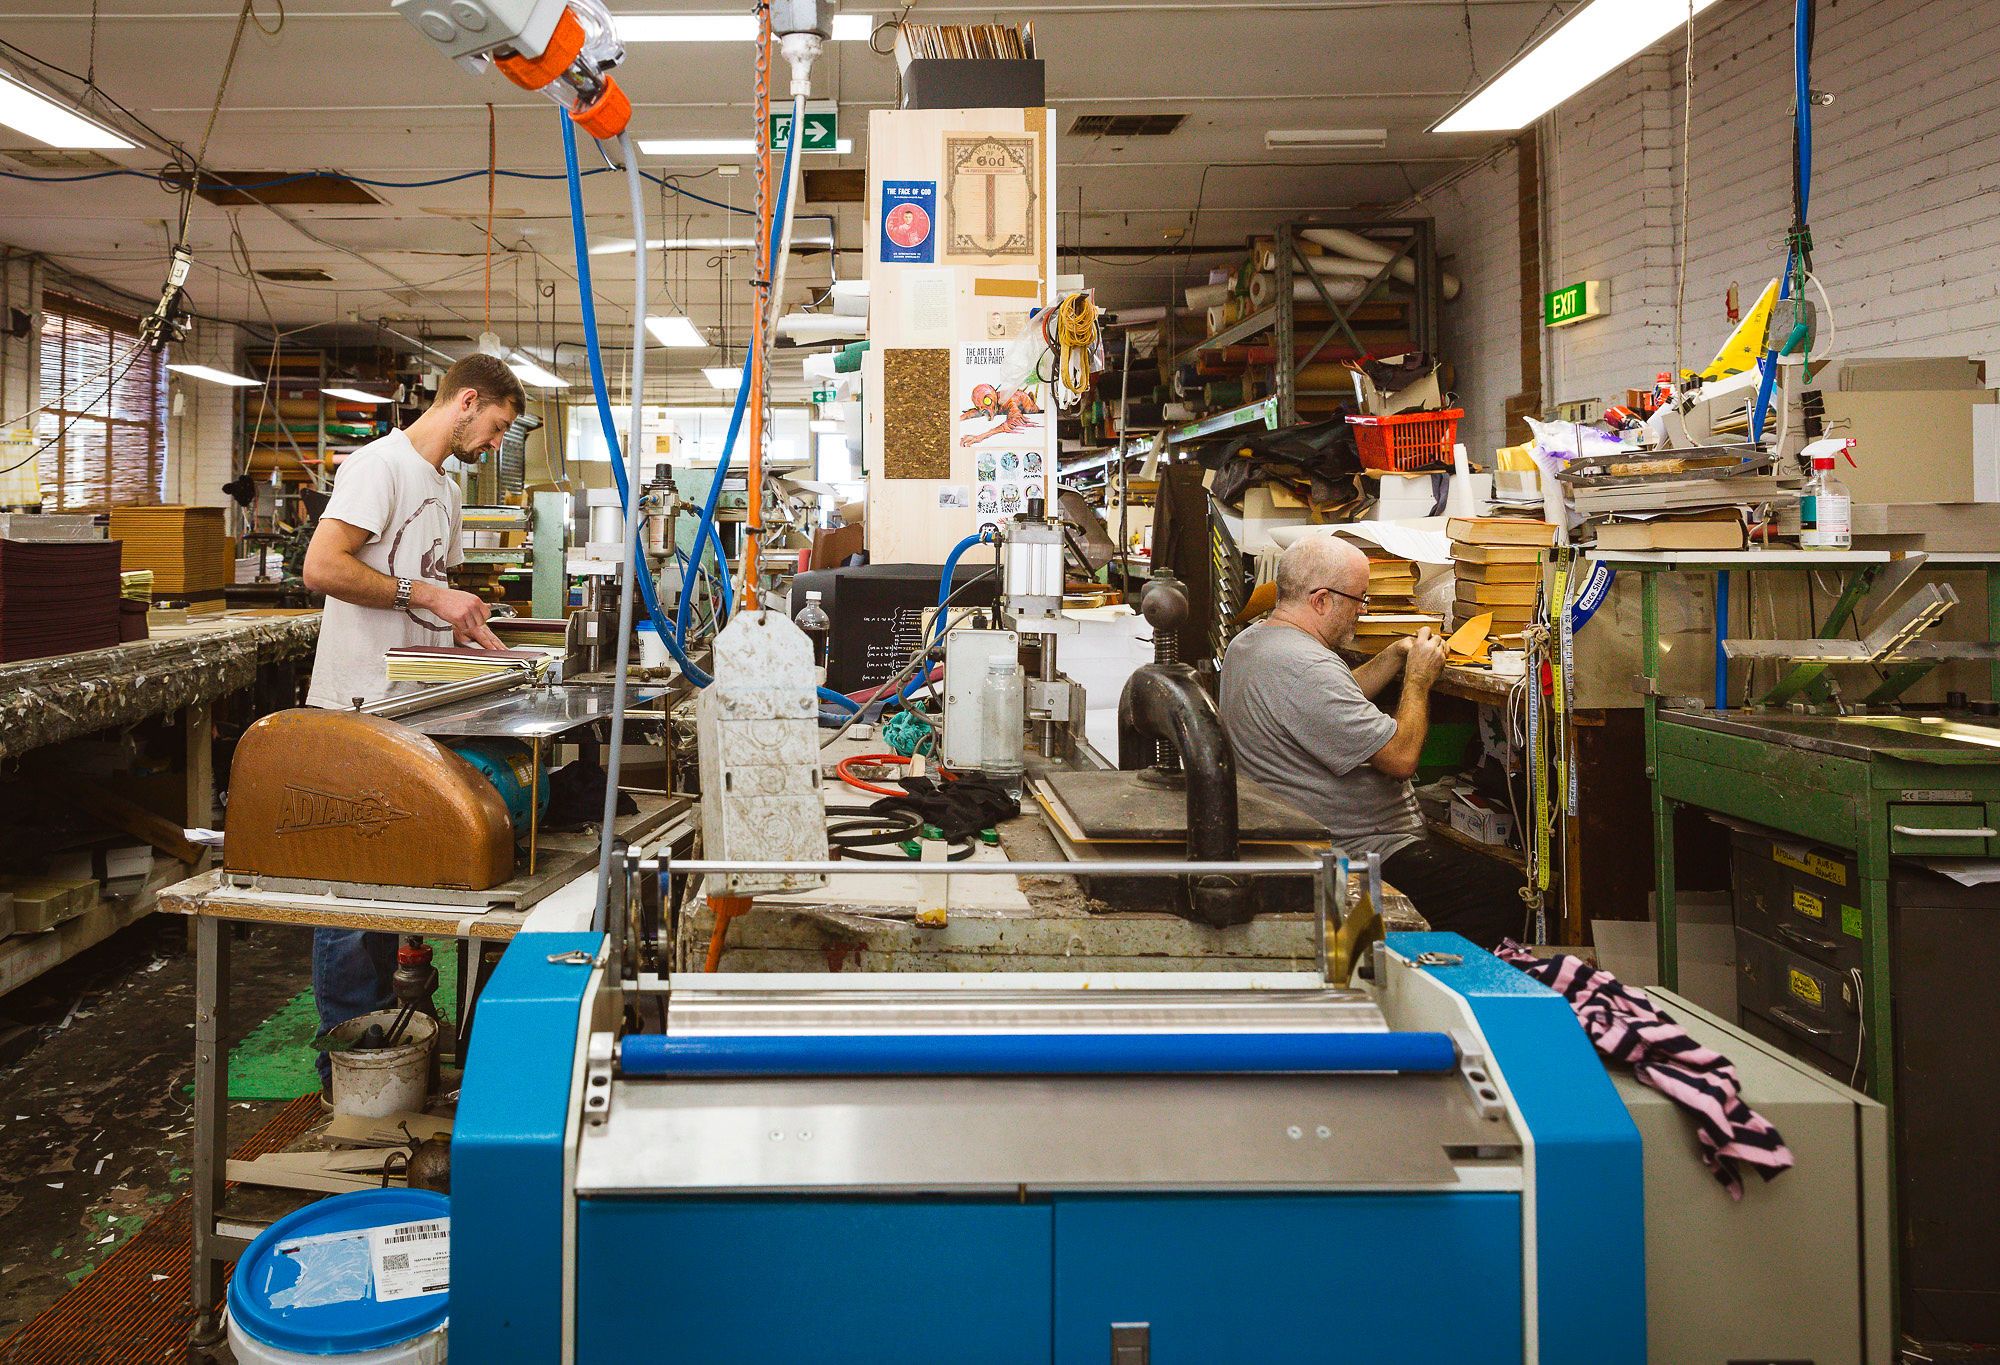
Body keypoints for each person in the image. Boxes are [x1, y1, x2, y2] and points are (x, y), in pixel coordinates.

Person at [297, 353, 524, 1089]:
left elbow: (430, 595)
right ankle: (348, 1071)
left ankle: (395, 1052)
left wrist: (470, 637)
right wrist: (426, 594)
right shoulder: (379, 467)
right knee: (353, 901)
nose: (496, 444)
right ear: (466, 401)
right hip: (355, 711)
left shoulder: (446, 490)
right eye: (496, 427)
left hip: (415, 711)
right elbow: (322, 568)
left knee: (398, 889)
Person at [1219, 534, 1526, 948]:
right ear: (1321, 600)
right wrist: (1417, 680)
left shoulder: (1252, 643)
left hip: (1315, 836)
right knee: (1502, 890)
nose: (1362, 612)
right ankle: (1424, 978)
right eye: (1358, 600)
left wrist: (1394, 656)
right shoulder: (1308, 667)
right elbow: (1401, 759)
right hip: (1352, 849)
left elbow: (1330, 702)